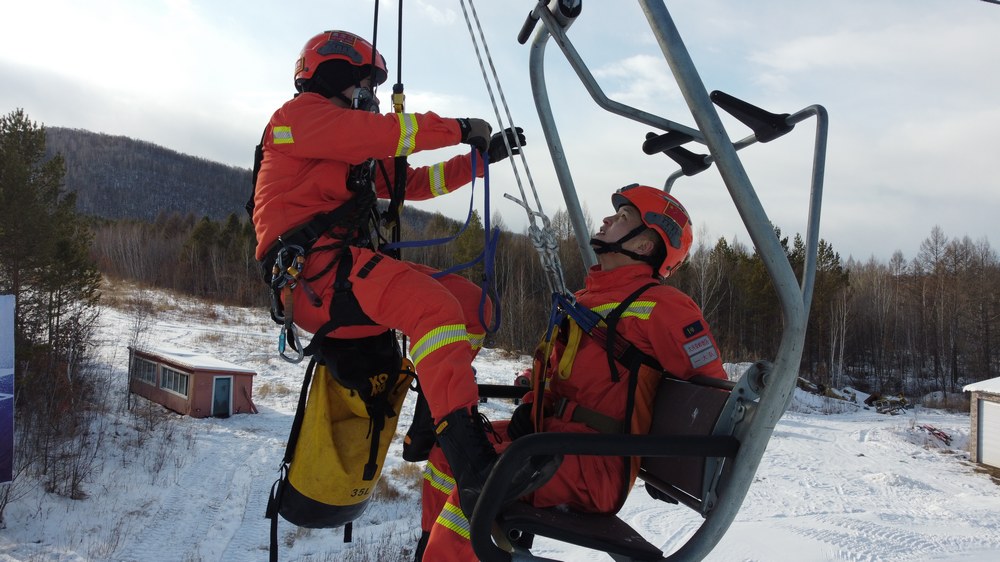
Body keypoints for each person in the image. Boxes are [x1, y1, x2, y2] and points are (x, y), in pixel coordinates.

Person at [251, 30, 542, 520]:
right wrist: (459, 127)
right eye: (363, 85)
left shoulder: (343, 144)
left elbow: (412, 184)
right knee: (434, 308)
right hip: (316, 281)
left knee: (472, 305)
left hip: (344, 272)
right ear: (333, 73)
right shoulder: (298, 119)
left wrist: (478, 159)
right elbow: (386, 134)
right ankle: (474, 463)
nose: (370, 97)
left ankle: (431, 421)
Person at [416, 184, 729, 561]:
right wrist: (529, 401)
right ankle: (427, 551)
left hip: (592, 462)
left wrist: (680, 458)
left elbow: (713, 391)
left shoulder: (664, 307)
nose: (608, 219)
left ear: (645, 246)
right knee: (448, 455)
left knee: (478, 485)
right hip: (549, 441)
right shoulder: (585, 300)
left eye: (624, 217)